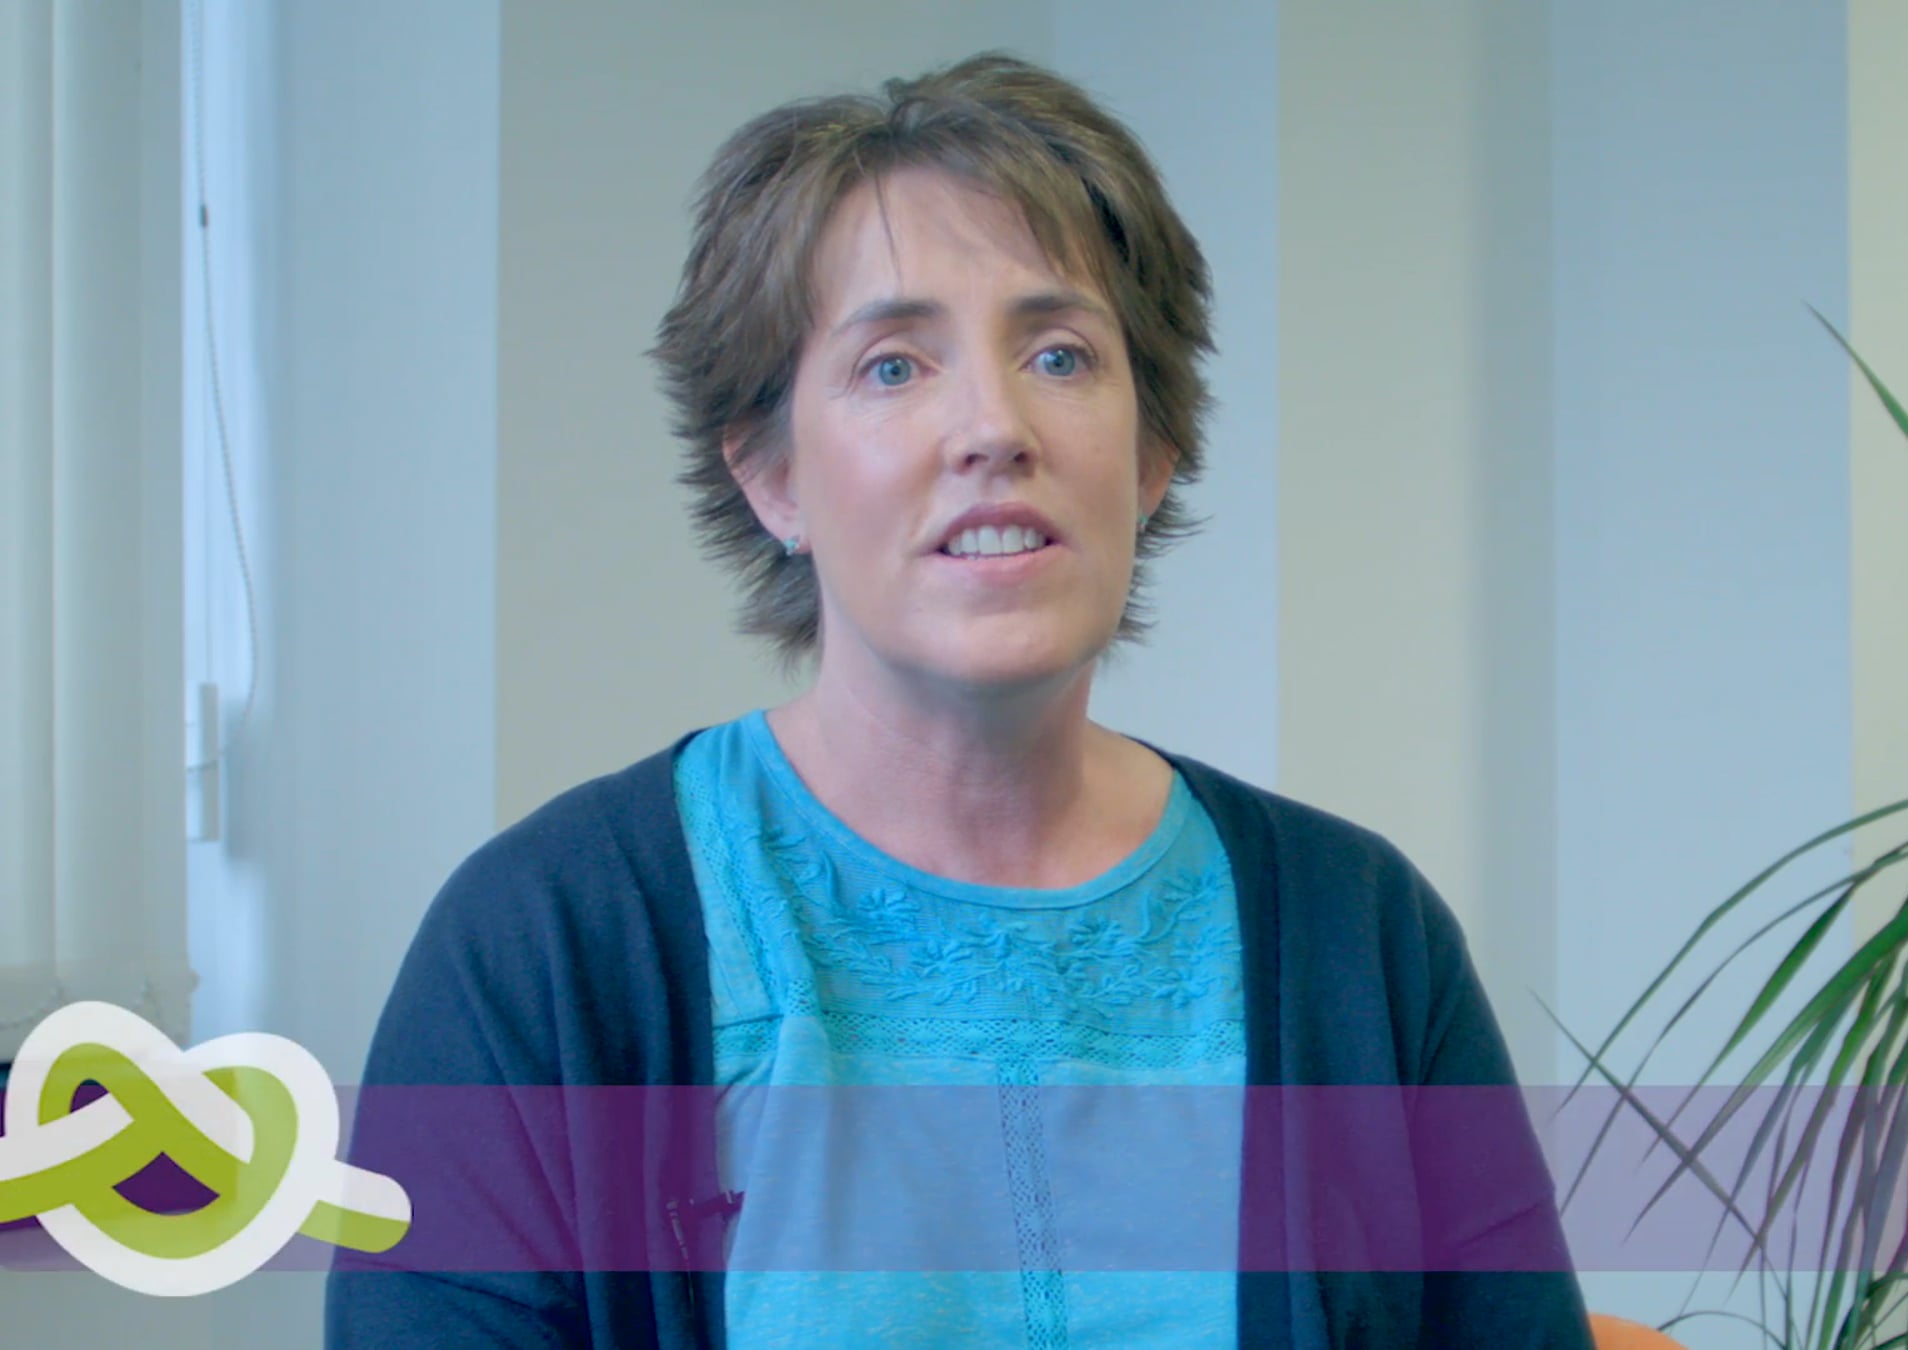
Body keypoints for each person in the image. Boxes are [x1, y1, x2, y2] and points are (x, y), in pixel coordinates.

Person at [325, 52, 1587, 1349]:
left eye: (1060, 354)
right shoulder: (541, 945)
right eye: (893, 366)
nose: (994, 426)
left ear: (1152, 456)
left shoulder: (1363, 936)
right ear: (771, 474)